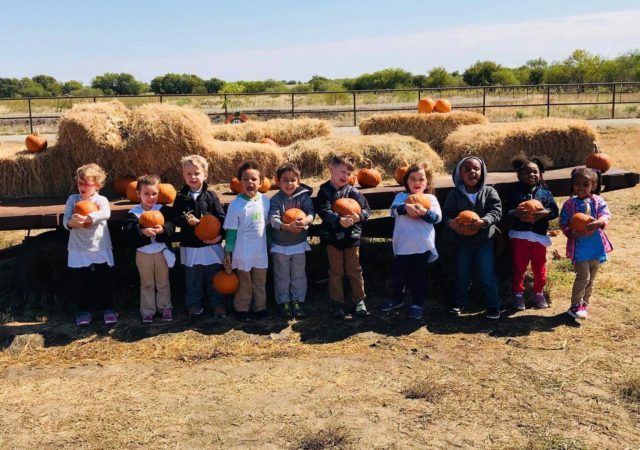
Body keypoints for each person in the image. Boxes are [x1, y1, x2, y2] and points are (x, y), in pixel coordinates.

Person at [442, 156, 503, 319]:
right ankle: (459, 302)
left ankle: (493, 304)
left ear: (482, 172)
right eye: (467, 169)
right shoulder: (455, 194)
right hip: (462, 241)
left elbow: (496, 211)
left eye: (476, 168)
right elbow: (447, 213)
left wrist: (484, 221)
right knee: (462, 273)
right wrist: (451, 223)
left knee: (486, 274)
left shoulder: (489, 191)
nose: (472, 172)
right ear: (460, 174)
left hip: (484, 241)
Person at [381, 162, 441, 320]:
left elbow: (436, 218)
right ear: (406, 181)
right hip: (403, 245)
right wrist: (405, 208)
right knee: (399, 275)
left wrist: (423, 212)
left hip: (422, 245)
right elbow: (393, 210)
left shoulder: (430, 198)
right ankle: (396, 299)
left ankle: (417, 303)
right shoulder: (401, 197)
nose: (417, 182)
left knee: (419, 277)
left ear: (427, 182)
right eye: (412, 179)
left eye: (421, 179)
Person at [317, 154, 371, 319]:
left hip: (352, 238)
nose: (345, 176)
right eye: (342, 172)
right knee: (336, 271)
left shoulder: (353, 192)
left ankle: (359, 300)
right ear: (331, 170)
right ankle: (337, 303)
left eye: (348, 174)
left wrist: (357, 217)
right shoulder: (325, 191)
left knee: (355, 270)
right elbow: (323, 211)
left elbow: (366, 210)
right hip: (333, 238)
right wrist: (339, 220)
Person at [172, 155, 227, 318]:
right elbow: (176, 218)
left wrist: (220, 236)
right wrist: (186, 221)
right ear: (183, 176)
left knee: (214, 277)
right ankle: (193, 305)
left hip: (211, 245)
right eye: (188, 174)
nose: (193, 177)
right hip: (191, 245)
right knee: (193, 279)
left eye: (197, 173)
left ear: (205, 175)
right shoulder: (181, 197)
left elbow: (221, 218)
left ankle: (217, 304)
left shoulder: (211, 196)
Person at [62, 163, 117, 326]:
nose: (82, 187)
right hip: (79, 247)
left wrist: (89, 218)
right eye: (80, 183)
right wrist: (72, 223)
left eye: (87, 184)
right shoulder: (73, 199)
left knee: (104, 278)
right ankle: (83, 311)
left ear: (97, 185)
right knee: (81, 281)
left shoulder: (101, 200)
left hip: (99, 246)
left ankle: (108, 309)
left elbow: (106, 213)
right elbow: (65, 221)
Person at [505, 156, 559, 311]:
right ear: (519, 175)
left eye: (535, 172)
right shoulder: (514, 192)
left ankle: (538, 292)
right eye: (527, 172)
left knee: (539, 267)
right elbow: (506, 211)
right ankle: (518, 294)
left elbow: (555, 211)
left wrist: (545, 212)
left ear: (540, 174)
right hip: (519, 235)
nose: (532, 175)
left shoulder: (545, 193)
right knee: (519, 267)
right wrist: (515, 213)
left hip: (538, 237)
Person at [560, 167, 613, 320]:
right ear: (573, 185)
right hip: (579, 247)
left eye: (585, 184)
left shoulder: (598, 201)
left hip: (595, 246)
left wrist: (599, 222)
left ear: (593, 186)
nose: (580, 187)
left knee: (591, 278)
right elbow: (563, 222)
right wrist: (570, 232)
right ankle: (575, 305)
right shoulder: (569, 204)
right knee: (583, 276)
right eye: (577, 184)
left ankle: (584, 303)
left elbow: (606, 214)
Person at [124, 174, 176, 323]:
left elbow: (172, 225)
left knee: (163, 281)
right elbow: (128, 232)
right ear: (138, 193)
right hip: (143, 254)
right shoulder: (134, 213)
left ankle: (165, 307)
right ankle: (147, 311)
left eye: (154, 193)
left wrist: (164, 230)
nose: (151, 197)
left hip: (161, 252)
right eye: (146, 193)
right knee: (147, 283)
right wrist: (142, 232)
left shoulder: (163, 210)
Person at [223, 160, 271, 321]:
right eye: (245, 179)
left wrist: (270, 244)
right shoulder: (236, 205)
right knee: (244, 284)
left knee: (260, 283)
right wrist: (228, 251)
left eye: (254, 179)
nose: (250, 182)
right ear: (239, 182)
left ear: (261, 182)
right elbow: (231, 231)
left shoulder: (265, 201)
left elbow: (268, 226)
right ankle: (242, 309)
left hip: (260, 252)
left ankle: (260, 308)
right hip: (242, 253)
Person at [268, 163, 315, 319]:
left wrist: (306, 221)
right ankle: (284, 302)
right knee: (282, 275)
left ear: (299, 181)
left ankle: (297, 301)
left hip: (298, 244)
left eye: (293, 180)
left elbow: (311, 212)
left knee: (298, 274)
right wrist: (286, 227)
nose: (289, 184)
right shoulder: (275, 199)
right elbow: (273, 219)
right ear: (278, 181)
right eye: (285, 180)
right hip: (281, 245)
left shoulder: (304, 196)